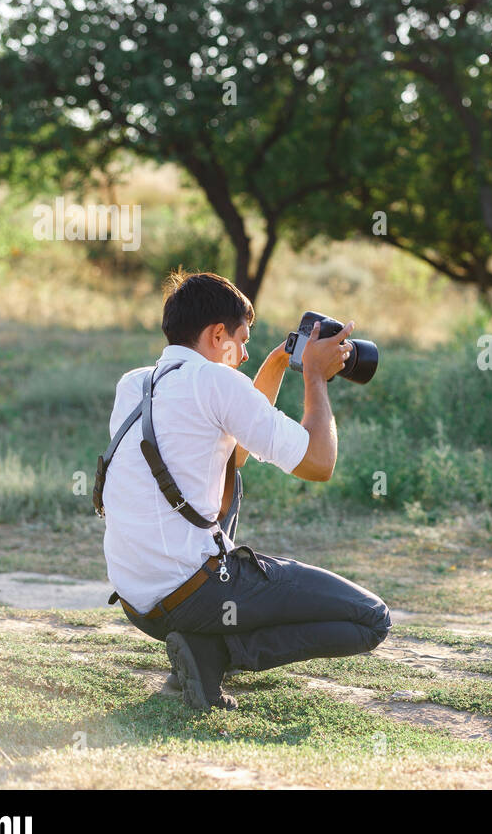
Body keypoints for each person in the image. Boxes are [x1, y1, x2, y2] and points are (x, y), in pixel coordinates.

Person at [98, 271, 391, 711]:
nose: (247, 351)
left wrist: (274, 365)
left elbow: (233, 455)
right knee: (372, 619)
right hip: (192, 595)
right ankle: (215, 652)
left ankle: (199, 643)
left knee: (230, 480)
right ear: (218, 334)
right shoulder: (215, 383)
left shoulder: (135, 383)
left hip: (139, 601)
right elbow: (319, 463)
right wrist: (314, 376)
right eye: (242, 338)